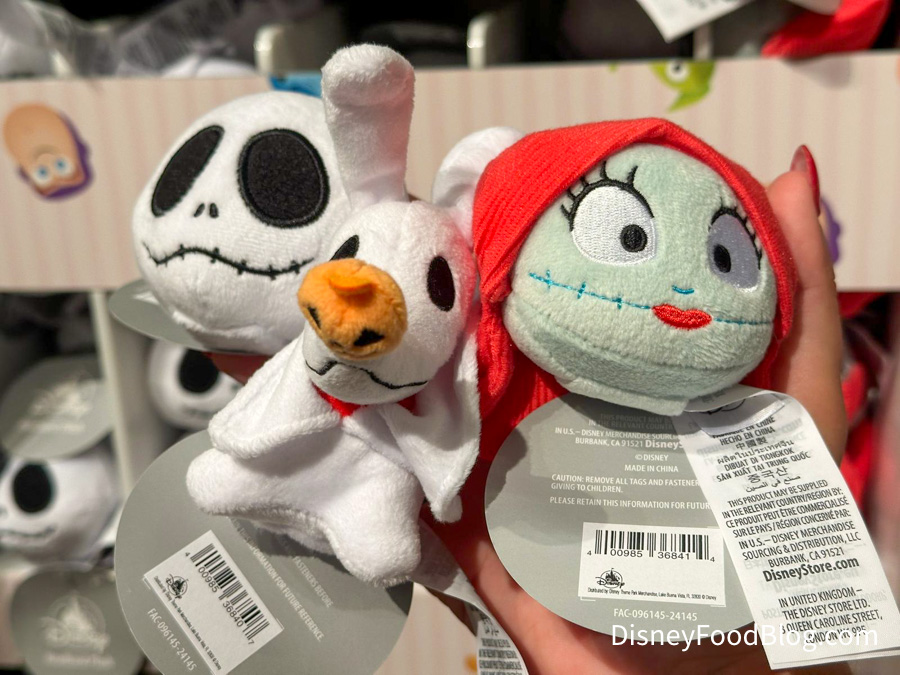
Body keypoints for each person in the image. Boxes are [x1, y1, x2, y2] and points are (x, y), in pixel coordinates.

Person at [212, 150, 849, 674]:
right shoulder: (481, 385)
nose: (683, 291)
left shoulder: (754, 440)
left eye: (724, 257)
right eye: (628, 236)